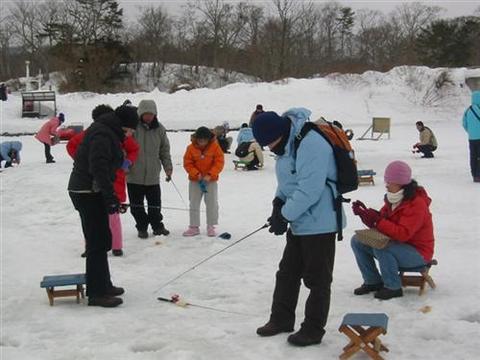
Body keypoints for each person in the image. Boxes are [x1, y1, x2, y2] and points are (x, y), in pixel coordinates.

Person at [252, 108, 342, 347]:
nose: (271, 149)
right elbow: (287, 182)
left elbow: (309, 190)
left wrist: (284, 215)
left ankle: (313, 329)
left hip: (321, 222)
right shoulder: (285, 144)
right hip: (301, 221)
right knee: (287, 274)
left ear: (281, 132)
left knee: (317, 279)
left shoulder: (311, 143)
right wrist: (278, 203)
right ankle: (281, 319)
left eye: (272, 144)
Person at [68, 105, 139, 307]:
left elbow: (107, 169)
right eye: (131, 130)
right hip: (86, 191)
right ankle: (97, 293)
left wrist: (112, 199)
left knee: (103, 239)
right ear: (125, 125)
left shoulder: (107, 131)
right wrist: (110, 198)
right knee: (97, 242)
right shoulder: (103, 134)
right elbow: (98, 167)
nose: (131, 134)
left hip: (93, 191)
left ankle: (103, 284)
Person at [351, 160, 435, 300]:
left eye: (390, 182)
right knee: (357, 241)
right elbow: (382, 222)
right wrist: (366, 214)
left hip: (418, 253)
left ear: (400, 183)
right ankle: (373, 281)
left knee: (382, 246)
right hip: (399, 247)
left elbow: (403, 234)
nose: (386, 185)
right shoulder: (393, 199)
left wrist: (377, 220)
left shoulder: (417, 204)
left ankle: (393, 287)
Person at [127, 99, 173, 239]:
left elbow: (164, 150)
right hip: (134, 175)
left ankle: (157, 226)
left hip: (153, 175)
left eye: (151, 114)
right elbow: (124, 147)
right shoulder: (132, 128)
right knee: (136, 206)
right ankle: (142, 227)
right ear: (140, 113)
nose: (148, 117)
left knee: (155, 205)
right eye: (145, 114)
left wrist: (168, 167)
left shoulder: (160, 129)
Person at [183, 126, 225, 237]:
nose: (201, 142)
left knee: (212, 203)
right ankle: (194, 226)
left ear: (208, 139)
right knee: (194, 203)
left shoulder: (215, 147)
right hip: (195, 181)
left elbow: (219, 162)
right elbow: (187, 163)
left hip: (210, 181)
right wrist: (196, 174)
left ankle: (211, 226)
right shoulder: (190, 148)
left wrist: (210, 175)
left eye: (204, 140)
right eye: (199, 139)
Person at [462, 90, 480, 182]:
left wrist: (471, 132)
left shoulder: (468, 110)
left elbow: (464, 124)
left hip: (472, 138)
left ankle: (474, 175)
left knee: (473, 156)